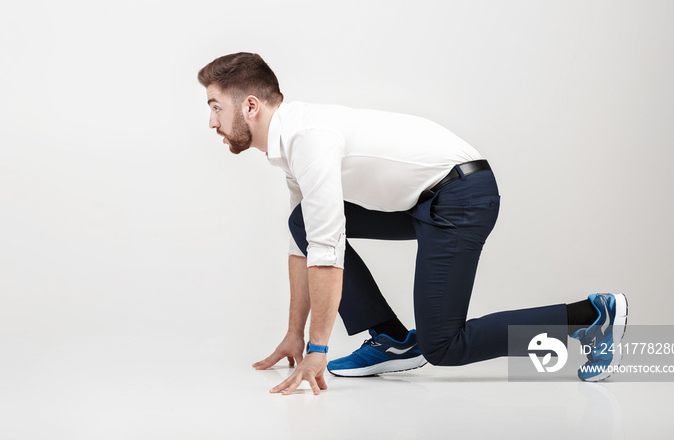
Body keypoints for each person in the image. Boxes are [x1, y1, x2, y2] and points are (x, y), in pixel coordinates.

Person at [198, 52, 628, 395]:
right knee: (303, 223)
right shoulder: (289, 143)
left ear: (250, 105)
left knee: (444, 346)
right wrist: (295, 334)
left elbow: (327, 252)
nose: (212, 122)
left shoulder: (308, 138)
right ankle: (392, 339)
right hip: (421, 200)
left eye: (216, 107)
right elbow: (306, 243)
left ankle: (589, 315)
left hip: (462, 196)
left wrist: (319, 349)